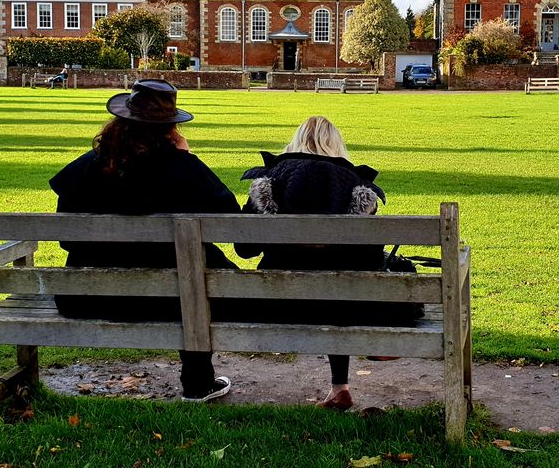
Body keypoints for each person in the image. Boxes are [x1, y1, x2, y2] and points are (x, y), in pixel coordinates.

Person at [49, 79, 240, 402]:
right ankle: (197, 382)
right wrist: (185, 158)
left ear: (121, 123)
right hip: (173, 299)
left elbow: (67, 242)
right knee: (197, 283)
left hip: (87, 295)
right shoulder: (183, 167)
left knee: (191, 281)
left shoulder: (89, 167)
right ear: (169, 128)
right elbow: (231, 222)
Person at [235, 116, 422, 411]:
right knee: (340, 285)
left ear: (295, 142)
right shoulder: (357, 188)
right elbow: (369, 260)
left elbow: (243, 249)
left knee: (326, 284)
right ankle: (340, 386)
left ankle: (339, 390)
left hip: (277, 305)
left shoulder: (269, 181)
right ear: (336, 145)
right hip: (344, 308)